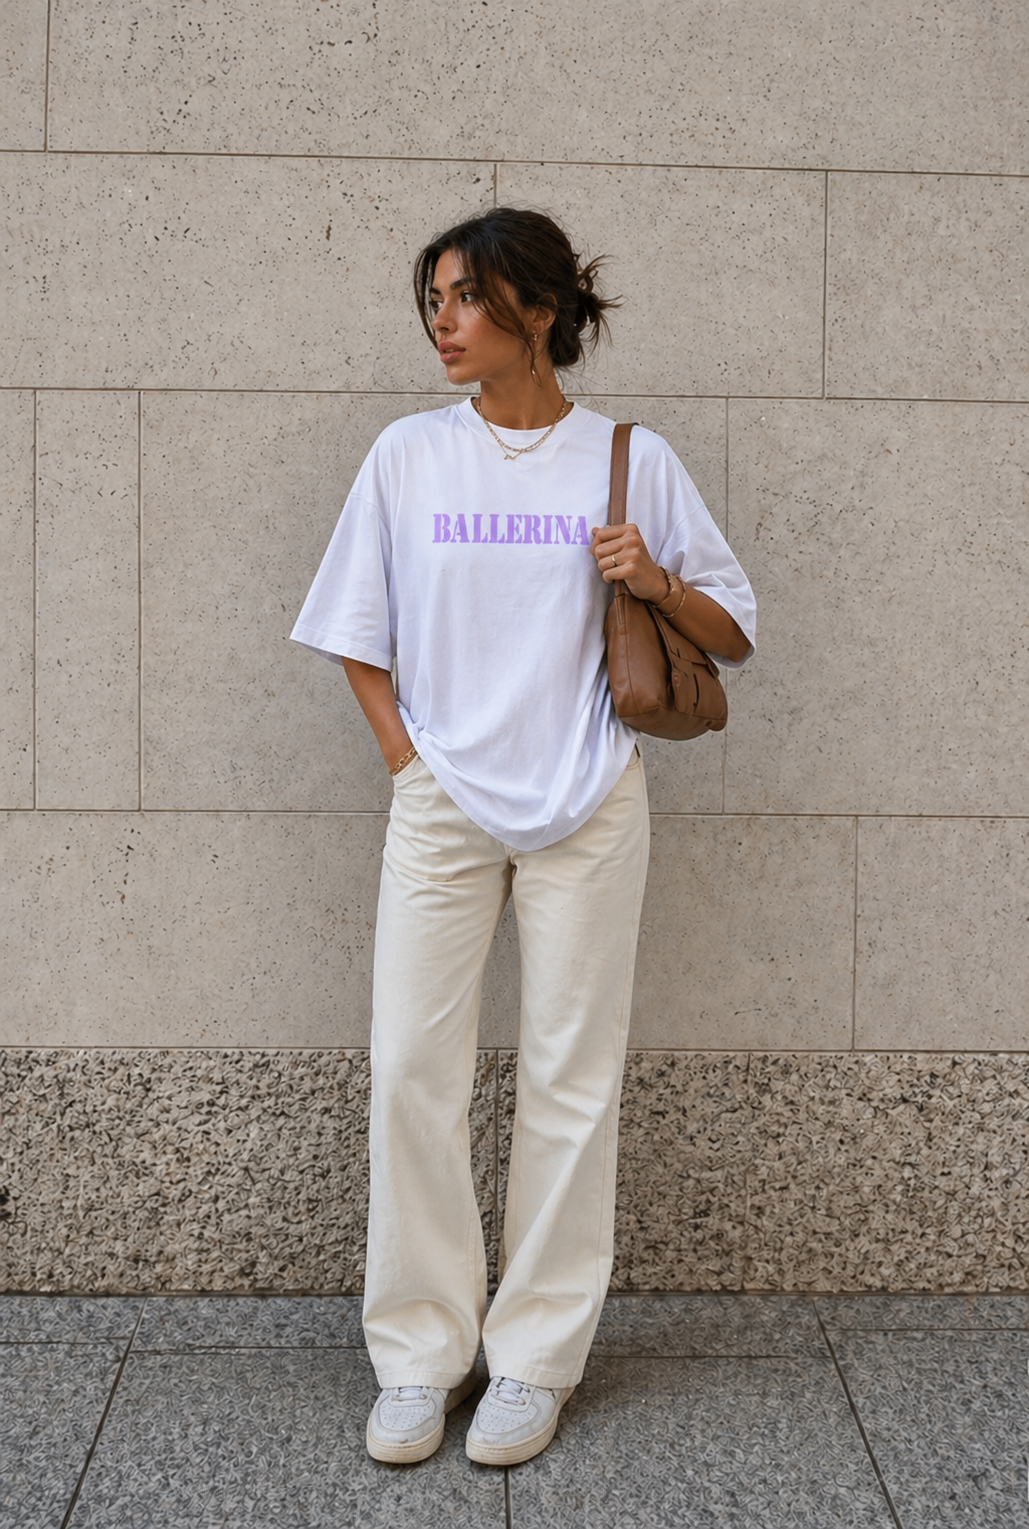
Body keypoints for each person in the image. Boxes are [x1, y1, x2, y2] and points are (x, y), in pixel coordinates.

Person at [290, 207, 756, 1467]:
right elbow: (352, 626)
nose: (443, 320)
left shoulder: (625, 457)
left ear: (538, 313)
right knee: (411, 1067)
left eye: (467, 298)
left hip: (590, 797)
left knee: (569, 1074)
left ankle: (534, 1358)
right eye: (433, 298)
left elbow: (733, 627)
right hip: (443, 798)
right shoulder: (406, 455)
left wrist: (652, 577)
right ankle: (422, 1354)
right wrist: (407, 761)